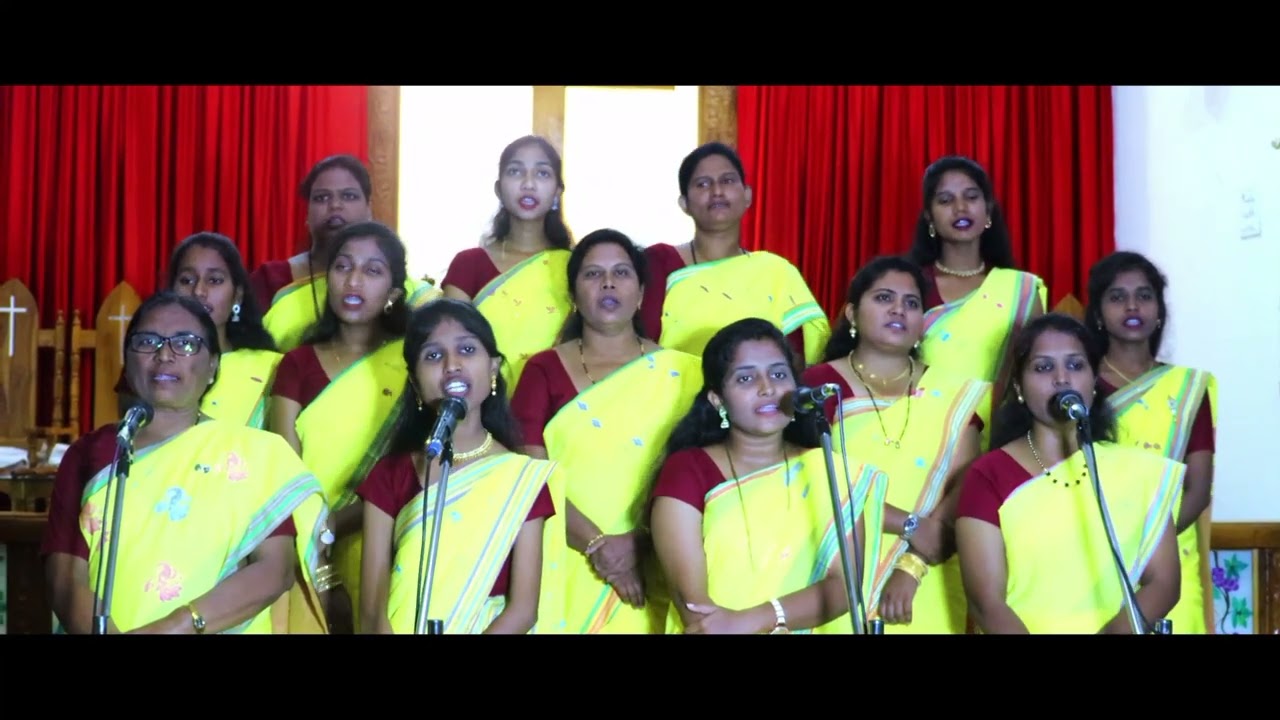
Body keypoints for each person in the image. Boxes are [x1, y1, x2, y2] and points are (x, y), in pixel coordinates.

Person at [40, 291, 330, 634]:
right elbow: (65, 577)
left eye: (187, 344)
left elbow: (274, 570)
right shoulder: (92, 453)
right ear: (127, 360)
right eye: (148, 342)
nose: (164, 355)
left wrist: (175, 627)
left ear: (212, 367)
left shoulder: (253, 456)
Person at [511, 229, 703, 633]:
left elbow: (701, 474)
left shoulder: (687, 373)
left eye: (621, 273)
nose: (608, 283)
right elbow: (527, 474)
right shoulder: (542, 371)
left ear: (641, 293)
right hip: (564, 554)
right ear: (573, 296)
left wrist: (638, 543)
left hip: (661, 558)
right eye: (593, 274)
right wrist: (598, 545)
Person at [650, 318, 887, 634]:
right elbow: (694, 607)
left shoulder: (826, 468)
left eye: (778, 374)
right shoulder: (688, 471)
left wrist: (749, 621)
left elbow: (845, 587)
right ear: (717, 398)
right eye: (746, 378)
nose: (767, 388)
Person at [954, 313, 1184, 634]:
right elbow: (986, 601)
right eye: (1043, 367)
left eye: (1076, 366)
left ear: (1093, 382)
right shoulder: (988, 475)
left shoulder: (1139, 472)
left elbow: (1164, 582)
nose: (1062, 378)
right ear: (1019, 386)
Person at [801, 256, 988, 633]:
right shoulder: (817, 387)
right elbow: (806, 481)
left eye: (911, 303)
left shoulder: (954, 394)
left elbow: (965, 482)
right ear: (852, 314)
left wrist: (913, 565)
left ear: (922, 322)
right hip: (834, 564)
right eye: (884, 298)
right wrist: (909, 523)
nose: (898, 310)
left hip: (924, 581)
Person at [357, 299, 565, 634]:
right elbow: (371, 608)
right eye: (434, 356)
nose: (452, 365)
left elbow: (523, 610)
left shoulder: (521, 479)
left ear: (493, 369)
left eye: (467, 350)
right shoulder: (390, 475)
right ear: (414, 384)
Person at [268, 221, 413, 632]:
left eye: (372, 271)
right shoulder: (296, 364)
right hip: (302, 540)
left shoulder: (412, 364)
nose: (353, 280)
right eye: (343, 267)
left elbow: (415, 467)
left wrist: (337, 524)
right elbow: (284, 468)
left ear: (394, 293)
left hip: (388, 536)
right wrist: (315, 528)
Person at [1085, 250, 1217, 634]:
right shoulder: (1080, 386)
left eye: (1144, 295)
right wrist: (1117, 544)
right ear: (1097, 313)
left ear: (1159, 311)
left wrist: (1150, 545)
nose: (1132, 305)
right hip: (1095, 553)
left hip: (1171, 553)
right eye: (1117, 296)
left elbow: (1197, 486)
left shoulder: (1188, 389)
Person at [640, 142, 830, 365]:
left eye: (728, 181)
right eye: (702, 184)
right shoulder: (660, 262)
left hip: (760, 396)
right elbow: (640, 343)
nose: (717, 191)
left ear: (747, 195)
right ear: (684, 203)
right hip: (677, 392)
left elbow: (794, 360)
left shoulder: (776, 272)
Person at [907, 156, 1046, 443]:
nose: (960, 208)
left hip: (998, 437)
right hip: (920, 437)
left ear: (988, 212)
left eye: (971, 197)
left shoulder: (1020, 290)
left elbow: (1034, 372)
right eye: (946, 200)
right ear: (930, 218)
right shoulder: (911, 286)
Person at [250, 155, 437, 352]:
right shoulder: (271, 280)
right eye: (322, 198)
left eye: (349, 196)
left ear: (369, 209)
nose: (335, 206)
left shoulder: (408, 290)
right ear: (307, 214)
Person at [440, 135, 574, 394]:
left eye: (542, 173)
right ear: (499, 189)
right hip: (481, 406)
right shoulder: (469, 265)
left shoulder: (576, 268)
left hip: (554, 401)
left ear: (557, 191)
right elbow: (452, 346)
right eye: (516, 171)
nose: (528, 184)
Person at [116, 232, 282, 428]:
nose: (198, 291)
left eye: (214, 280)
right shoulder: (150, 361)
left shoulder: (271, 367)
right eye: (186, 280)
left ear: (237, 296)